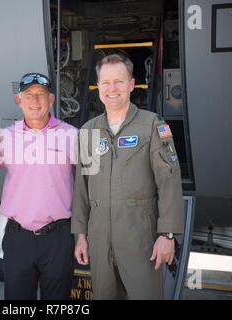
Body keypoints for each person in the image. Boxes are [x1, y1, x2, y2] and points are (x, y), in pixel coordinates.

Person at [71, 53, 184, 299]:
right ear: (98, 87)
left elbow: (169, 181)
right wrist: (81, 236)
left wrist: (167, 235)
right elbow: (81, 188)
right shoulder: (88, 131)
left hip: (140, 238)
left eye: (119, 81)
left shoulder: (152, 125)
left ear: (132, 85)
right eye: (105, 82)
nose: (112, 89)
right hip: (99, 239)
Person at [0, 73, 77, 299]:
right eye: (28, 95)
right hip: (18, 237)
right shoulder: (5, 137)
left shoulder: (71, 135)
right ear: (18, 100)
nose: (34, 101)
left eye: (40, 94)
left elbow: (89, 185)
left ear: (51, 99)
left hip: (58, 238)